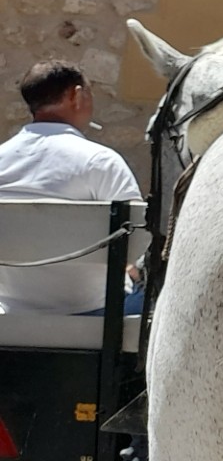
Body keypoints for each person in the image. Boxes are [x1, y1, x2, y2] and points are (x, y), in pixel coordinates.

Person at [0, 61, 144, 316]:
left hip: (11, 312)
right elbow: (139, 245)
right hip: (97, 317)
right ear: (76, 95)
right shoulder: (101, 162)